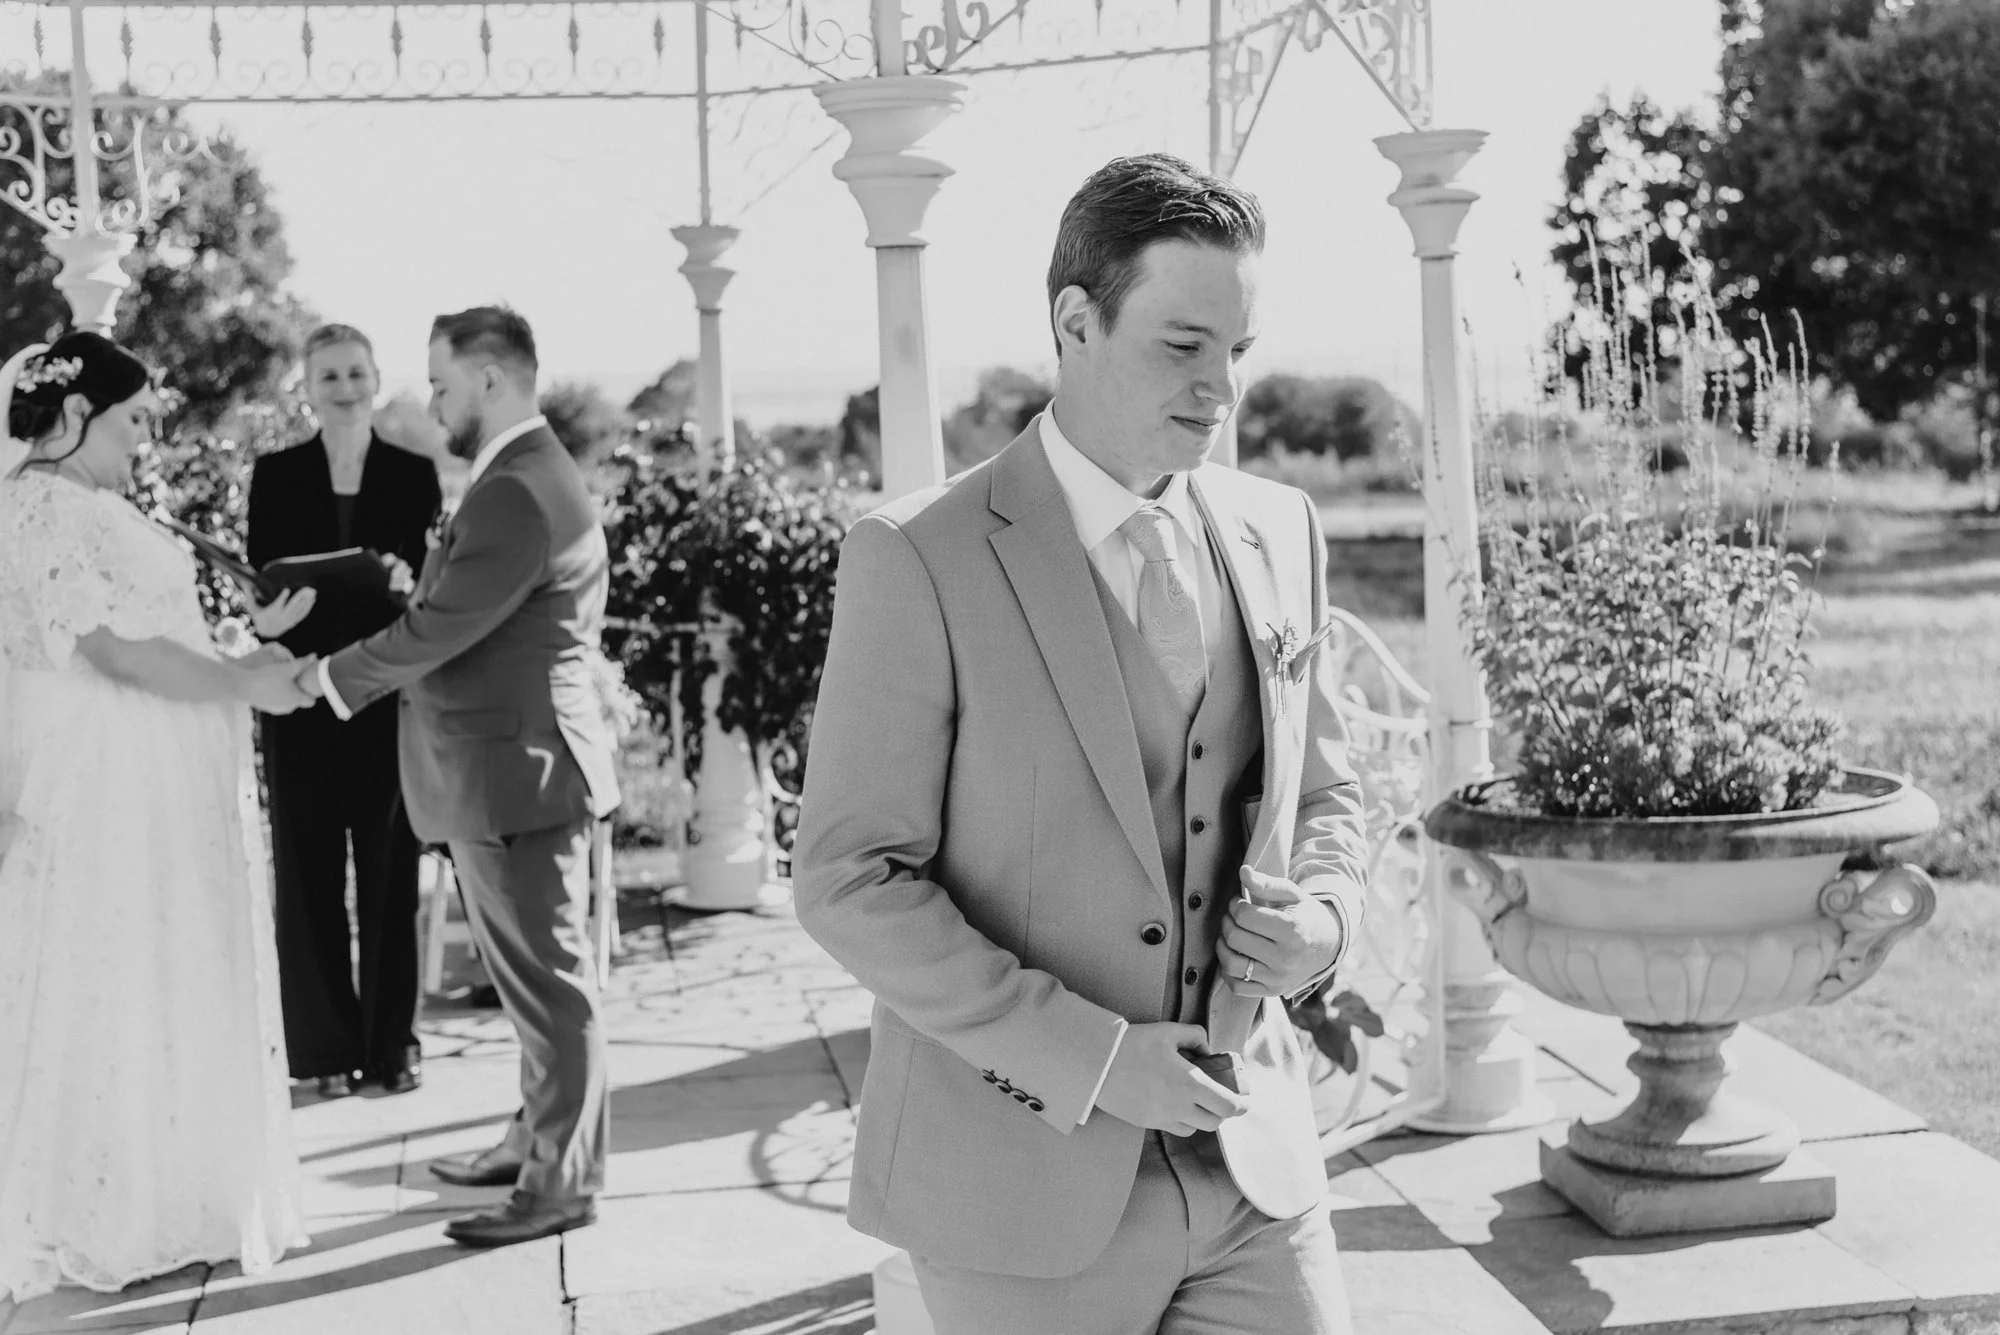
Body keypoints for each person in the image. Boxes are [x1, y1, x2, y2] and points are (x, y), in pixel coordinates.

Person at [792, 154, 1371, 1333]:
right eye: (1181, 345)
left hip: (1255, 1162)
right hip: (1016, 1192)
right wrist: (1095, 1059)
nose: (1220, 390)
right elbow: (849, 880)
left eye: (1238, 352)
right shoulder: (918, 558)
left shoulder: (1279, 529)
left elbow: (1327, 797)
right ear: (1075, 321)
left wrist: (1323, 923)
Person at [293, 307, 620, 1249]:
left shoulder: (517, 487)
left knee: (553, 985)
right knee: (530, 982)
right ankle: (532, 1138)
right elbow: (457, 604)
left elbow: (442, 627)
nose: (430, 402)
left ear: (488, 379)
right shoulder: (518, 475)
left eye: (438, 384)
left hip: (517, 769)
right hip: (505, 765)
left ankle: (561, 1181)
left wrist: (324, 677)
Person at [0, 331, 313, 1302]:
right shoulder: (41, 504)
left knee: (163, 966)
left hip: (158, 775)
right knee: (110, 968)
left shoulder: (99, 505)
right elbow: (111, 652)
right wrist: (242, 684)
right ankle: (98, 1211)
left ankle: (172, 1195)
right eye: (135, 419)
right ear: (80, 410)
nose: (146, 439)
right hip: (103, 784)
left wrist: (245, 650)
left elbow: (155, 638)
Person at [247, 323, 442, 1100]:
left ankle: (393, 1045)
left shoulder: (415, 472)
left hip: (384, 695)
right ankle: (321, 1053)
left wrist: (396, 580)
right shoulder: (274, 472)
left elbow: (431, 588)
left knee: (393, 875)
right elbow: (265, 582)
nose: (346, 388)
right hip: (297, 696)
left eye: (356, 372)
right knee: (307, 874)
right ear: (308, 385)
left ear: (375, 377)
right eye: (329, 375)